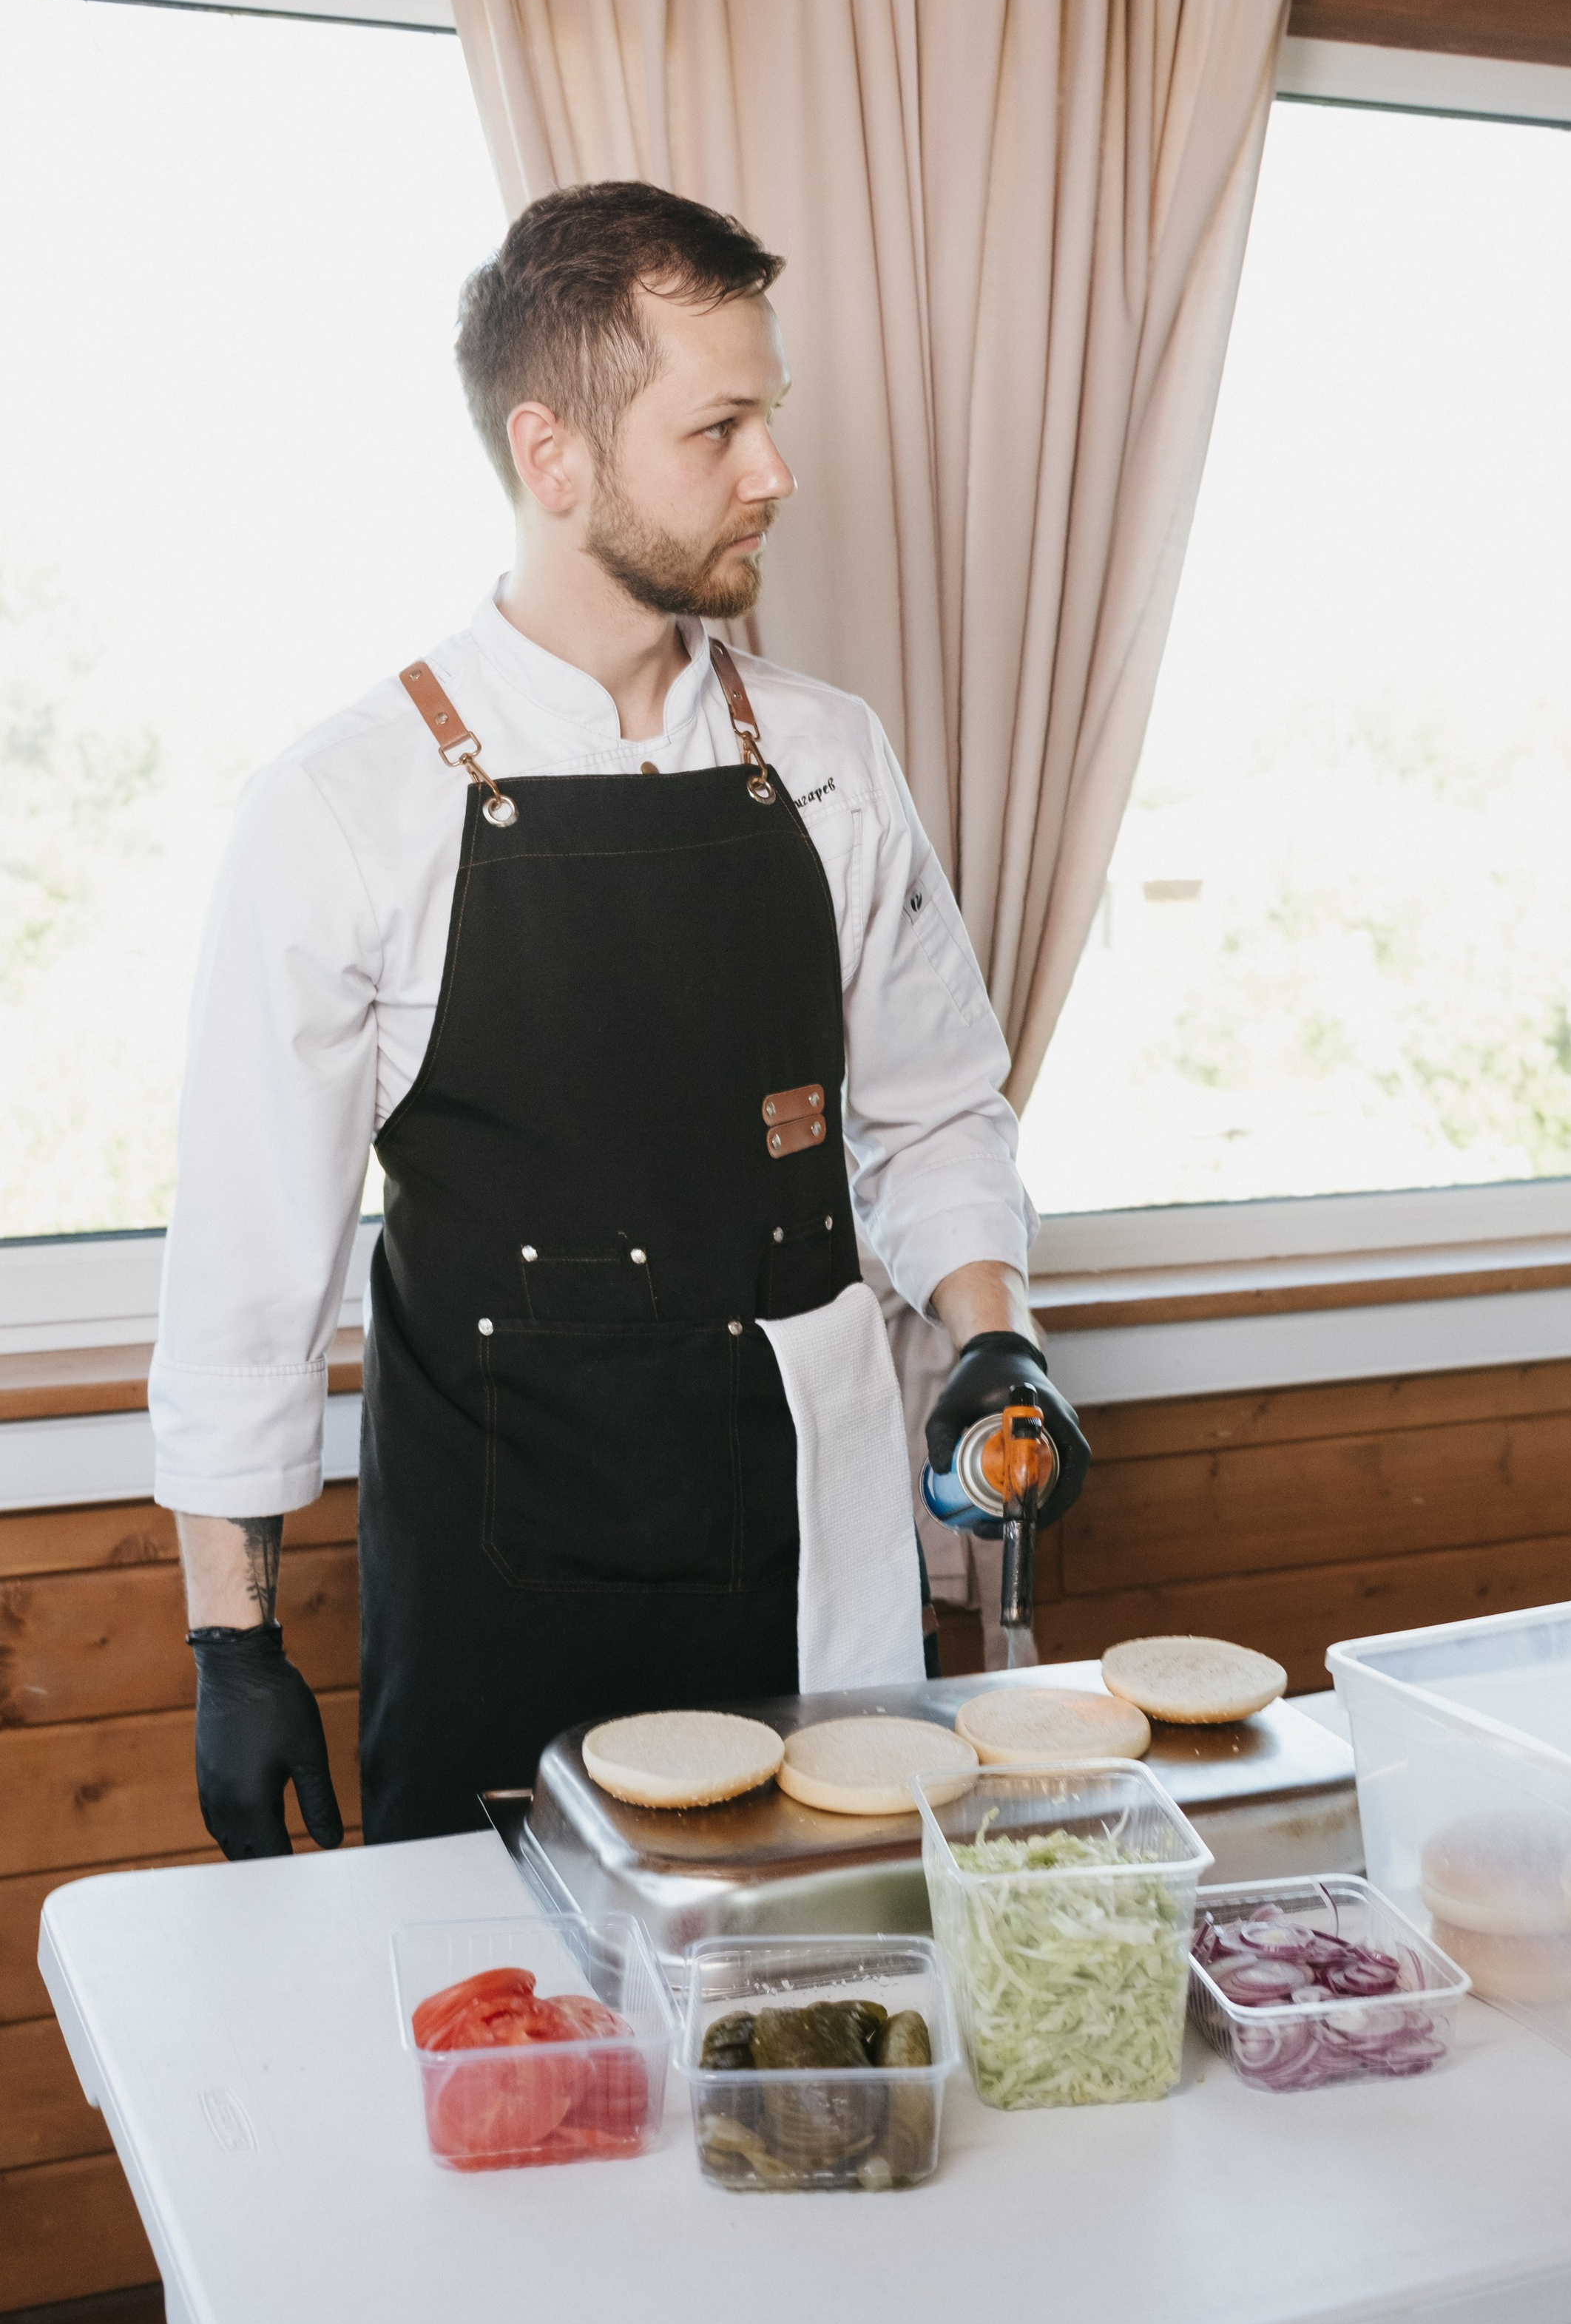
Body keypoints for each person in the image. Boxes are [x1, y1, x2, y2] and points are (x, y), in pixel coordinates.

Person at [150, 178, 1089, 1855]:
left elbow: (938, 1108)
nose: (772, 474)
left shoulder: (828, 755)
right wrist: (232, 1641)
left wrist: (989, 1332)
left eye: (767, 419)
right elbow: (245, 1265)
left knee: (832, 2024)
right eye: (715, 428)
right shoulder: (345, 805)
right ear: (552, 454)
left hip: (815, 1550)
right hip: (503, 1568)